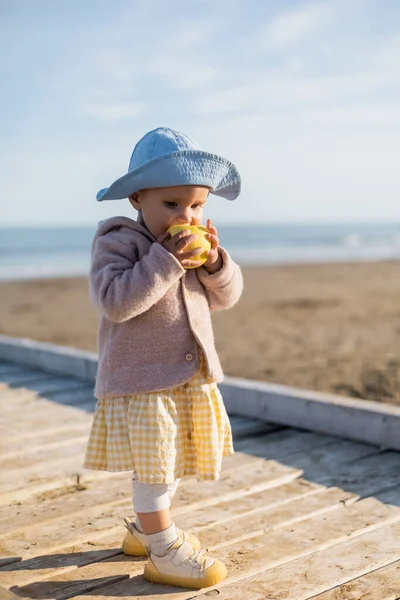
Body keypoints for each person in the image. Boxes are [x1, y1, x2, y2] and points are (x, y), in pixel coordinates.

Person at [84, 126, 243, 589]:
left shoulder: (193, 244)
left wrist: (214, 263)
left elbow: (226, 298)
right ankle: (163, 549)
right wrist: (165, 260)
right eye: (171, 204)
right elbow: (116, 301)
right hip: (142, 380)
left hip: (188, 376)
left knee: (174, 461)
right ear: (137, 198)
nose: (186, 215)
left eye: (196, 205)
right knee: (156, 467)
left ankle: (143, 529)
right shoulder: (118, 242)